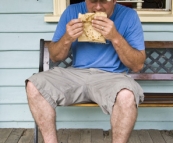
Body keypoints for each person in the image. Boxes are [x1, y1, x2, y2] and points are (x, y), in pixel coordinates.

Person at [26, 0, 146, 143]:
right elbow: (54, 56)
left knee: (127, 96)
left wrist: (115, 36)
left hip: (112, 77)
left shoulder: (129, 16)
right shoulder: (72, 12)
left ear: (114, 0)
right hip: (76, 73)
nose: (98, 7)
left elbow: (137, 65)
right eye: (93, 1)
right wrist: (67, 38)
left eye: (104, 1)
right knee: (34, 85)